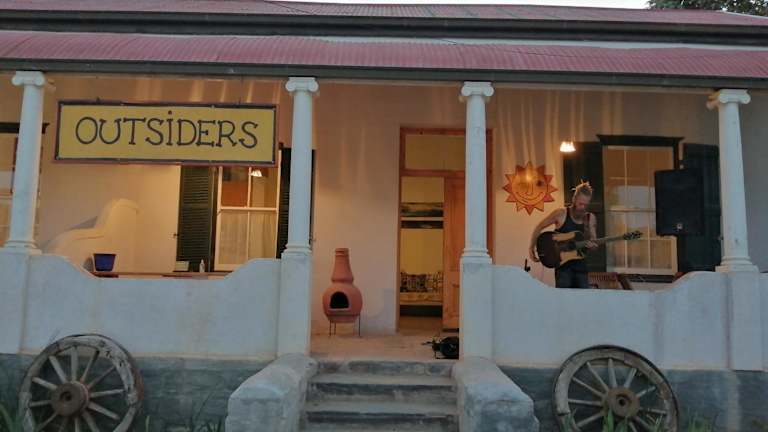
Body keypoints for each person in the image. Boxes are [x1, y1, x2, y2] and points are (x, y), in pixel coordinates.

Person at [528, 182, 598, 288]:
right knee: (563, 297)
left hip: (581, 269)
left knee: (583, 297)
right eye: (580, 204)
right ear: (574, 199)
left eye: (585, 205)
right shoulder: (561, 214)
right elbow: (539, 227)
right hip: (563, 269)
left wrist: (593, 246)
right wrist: (531, 247)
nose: (582, 207)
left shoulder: (590, 218)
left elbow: (594, 243)